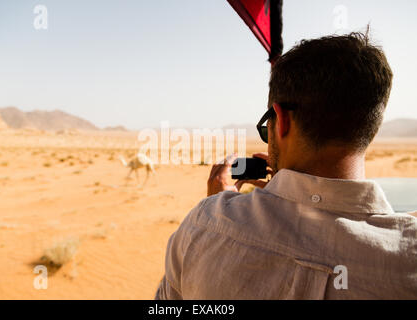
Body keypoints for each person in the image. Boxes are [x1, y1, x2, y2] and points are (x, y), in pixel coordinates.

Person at [155, 32, 417, 299]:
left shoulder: (203, 226)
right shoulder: (408, 253)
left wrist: (216, 213)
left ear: (281, 120)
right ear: (370, 126)